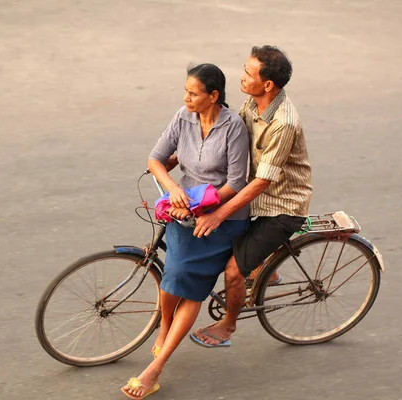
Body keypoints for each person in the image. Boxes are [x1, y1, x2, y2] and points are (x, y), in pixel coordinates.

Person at [121, 63, 250, 399]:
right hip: (183, 209)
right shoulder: (184, 116)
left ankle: (154, 370)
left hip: (219, 217)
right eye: (186, 91)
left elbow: (236, 183)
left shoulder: (232, 127)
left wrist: (195, 207)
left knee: (188, 286)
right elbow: (156, 159)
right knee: (170, 280)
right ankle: (165, 326)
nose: (187, 98)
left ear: (213, 96)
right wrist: (171, 189)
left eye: (194, 93)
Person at [190, 45, 313, 348]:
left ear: (268, 84)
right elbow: (229, 129)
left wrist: (219, 212)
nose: (242, 77)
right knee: (229, 244)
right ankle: (264, 269)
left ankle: (228, 324)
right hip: (256, 193)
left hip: (281, 204)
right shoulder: (253, 101)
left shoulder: (283, 122)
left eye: (248, 73)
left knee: (233, 271)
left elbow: (262, 182)